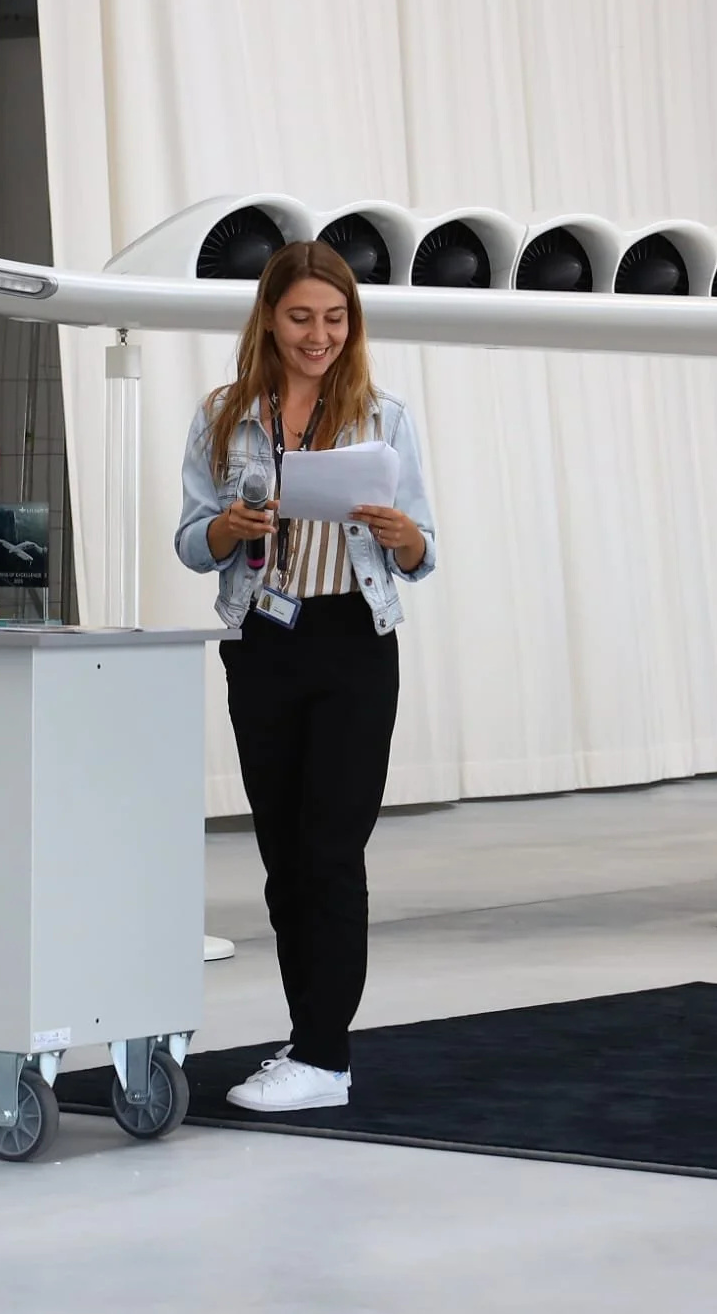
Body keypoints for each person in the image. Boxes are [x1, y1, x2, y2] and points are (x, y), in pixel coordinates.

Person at [174, 240, 437, 1112]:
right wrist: (230, 527)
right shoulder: (224, 417)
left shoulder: (383, 416)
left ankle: (326, 1055)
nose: (319, 335)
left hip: (353, 640)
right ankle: (309, 1039)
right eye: (300, 318)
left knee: (330, 850)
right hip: (263, 640)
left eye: (335, 318)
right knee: (284, 858)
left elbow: (424, 550)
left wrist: (404, 538)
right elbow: (192, 541)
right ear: (268, 317)